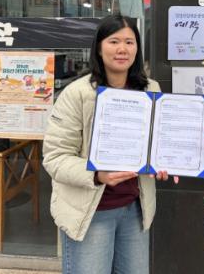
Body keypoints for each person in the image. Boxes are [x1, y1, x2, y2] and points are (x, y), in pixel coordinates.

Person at [43, 14, 175, 274]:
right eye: (114, 41)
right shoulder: (77, 93)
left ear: (137, 49)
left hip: (135, 210)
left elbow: (156, 144)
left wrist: (164, 161)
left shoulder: (151, 89)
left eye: (129, 42)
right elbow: (55, 158)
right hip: (90, 212)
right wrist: (97, 174)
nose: (122, 49)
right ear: (99, 48)